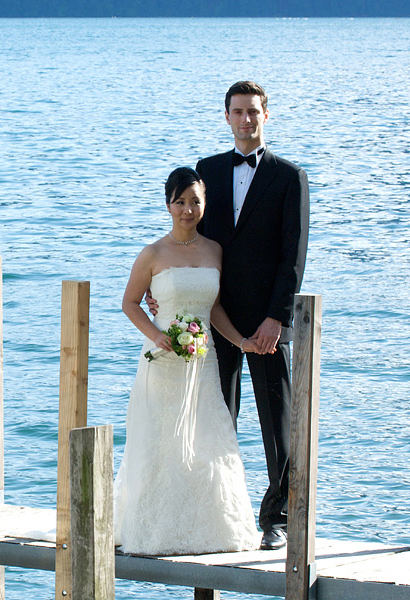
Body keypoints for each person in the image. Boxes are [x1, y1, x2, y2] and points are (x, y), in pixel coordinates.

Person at [147, 81, 309, 550]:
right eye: (237, 111)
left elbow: (293, 257)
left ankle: (277, 518)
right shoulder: (209, 170)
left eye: (253, 111)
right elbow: (187, 234)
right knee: (216, 418)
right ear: (226, 116)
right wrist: (164, 288)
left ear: (265, 115)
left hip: (266, 323)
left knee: (277, 422)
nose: (245, 119)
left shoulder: (289, 177)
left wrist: (277, 317)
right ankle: (217, 514)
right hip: (210, 319)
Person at [113, 166, 259, 556]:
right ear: (168, 205)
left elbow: (214, 310)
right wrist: (157, 335)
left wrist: (241, 341)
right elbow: (130, 303)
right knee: (159, 441)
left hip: (203, 362)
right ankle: (150, 527)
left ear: (204, 204)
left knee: (207, 438)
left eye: (195, 202)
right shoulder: (153, 253)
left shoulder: (214, 251)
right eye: (180, 202)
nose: (188, 210)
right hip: (162, 361)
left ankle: (210, 529)